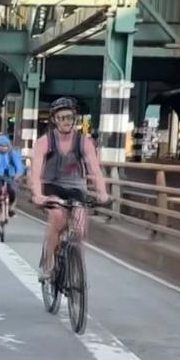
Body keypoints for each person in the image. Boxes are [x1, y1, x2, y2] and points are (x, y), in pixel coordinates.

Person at [28, 97, 110, 280]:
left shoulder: (84, 142)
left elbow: (95, 170)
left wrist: (102, 192)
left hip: (75, 187)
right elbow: (35, 171)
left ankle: (75, 268)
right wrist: (38, 194)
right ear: (54, 120)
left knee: (80, 227)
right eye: (62, 117)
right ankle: (48, 263)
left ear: (75, 119)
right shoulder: (45, 141)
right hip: (52, 186)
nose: (66, 121)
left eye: (70, 117)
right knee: (58, 217)